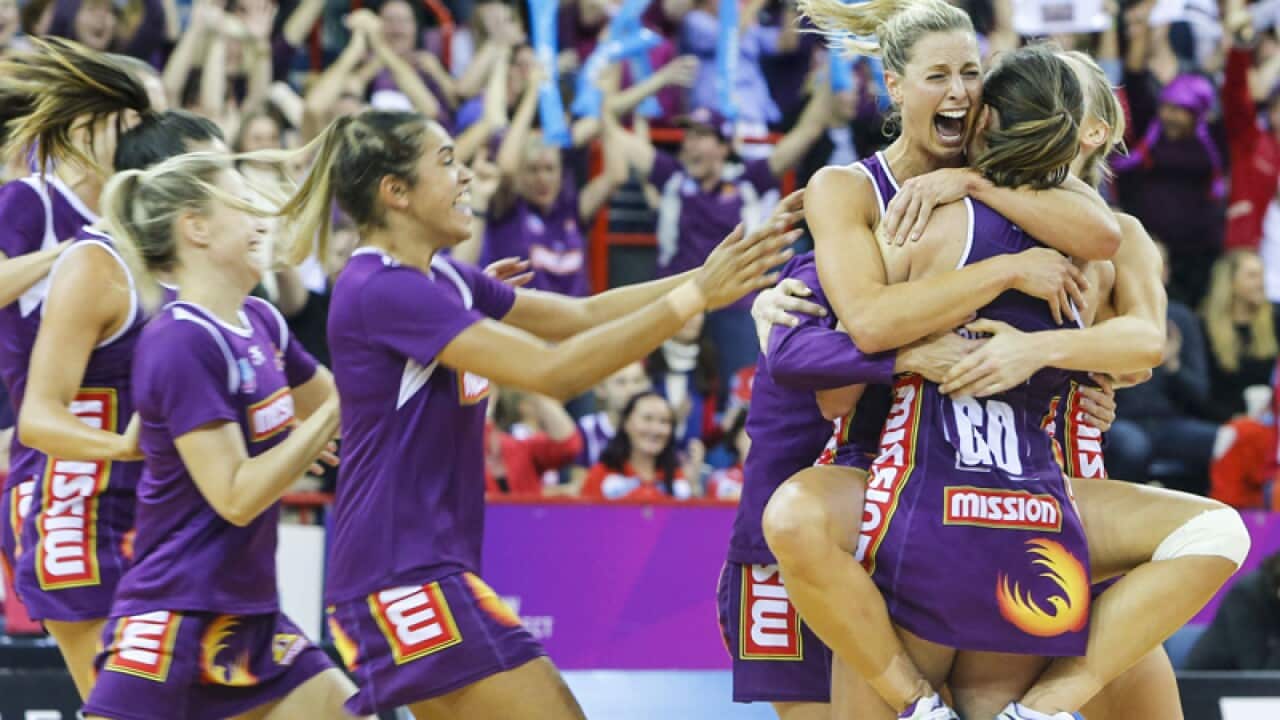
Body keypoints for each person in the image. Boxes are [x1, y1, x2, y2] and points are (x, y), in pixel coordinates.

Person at [765, 5, 1245, 716]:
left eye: (972, 75)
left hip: (1037, 484)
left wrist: (1044, 351)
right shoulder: (862, 191)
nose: (962, 92)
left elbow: (1138, 340)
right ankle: (942, 701)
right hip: (895, 470)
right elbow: (848, 337)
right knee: (796, 528)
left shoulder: (1072, 217)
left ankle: (1031, 705)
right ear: (896, 86)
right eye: (942, 76)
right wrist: (782, 310)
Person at [267, 108, 800, 718]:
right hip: (399, 576)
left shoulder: (442, 278)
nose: (465, 175)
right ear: (397, 193)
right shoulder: (385, 288)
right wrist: (693, 298)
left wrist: (706, 278)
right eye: (446, 162)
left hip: (420, 571)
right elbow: (558, 371)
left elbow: (580, 316)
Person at [80, 151, 364, 720]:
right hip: (177, 613)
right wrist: (326, 421)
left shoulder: (261, 320)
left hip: (250, 615)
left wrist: (458, 324)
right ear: (197, 228)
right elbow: (235, 495)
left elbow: (359, 403)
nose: (263, 217)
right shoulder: (181, 341)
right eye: (242, 204)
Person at [0, 37, 152, 698]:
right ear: (93, 124)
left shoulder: (145, 223)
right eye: (142, 122)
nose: (157, 139)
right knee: (123, 694)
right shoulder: (32, 201)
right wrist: (73, 254)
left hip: (134, 476)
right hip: (60, 470)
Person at [582, 392, 690, 501]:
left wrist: (694, 488)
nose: (655, 429)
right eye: (647, 419)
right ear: (626, 423)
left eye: (664, 421)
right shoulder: (601, 475)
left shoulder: (678, 479)